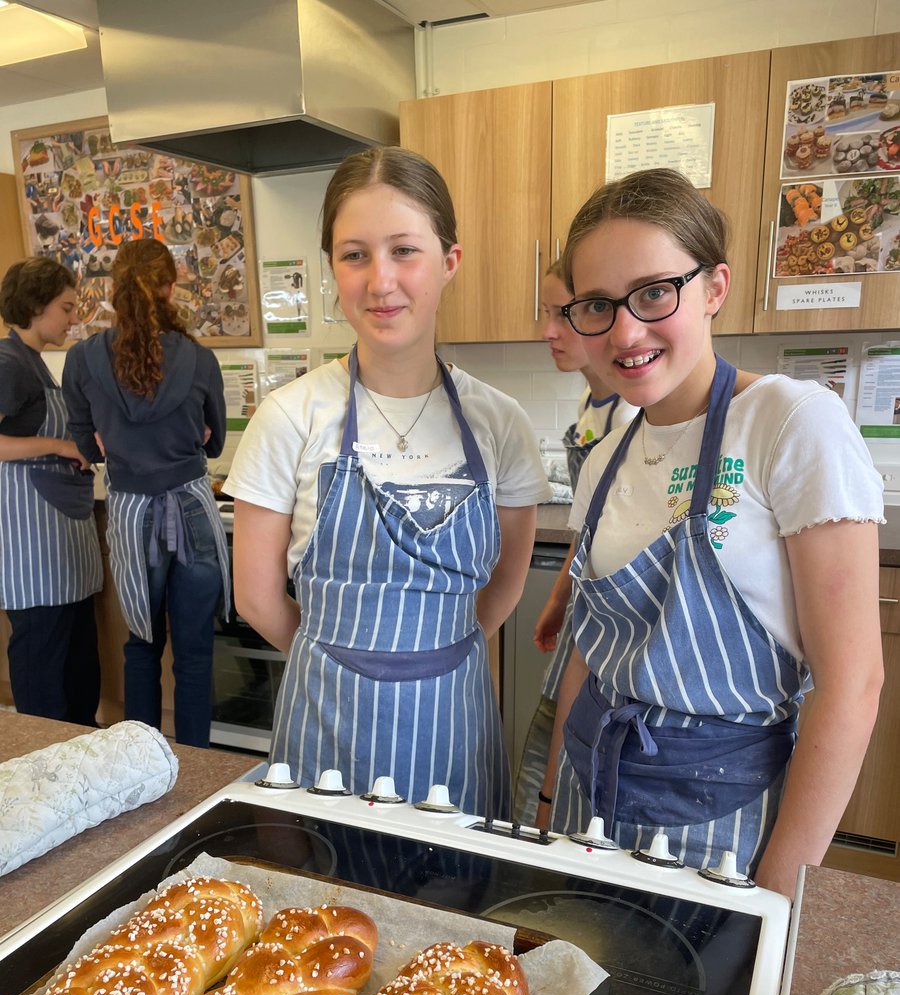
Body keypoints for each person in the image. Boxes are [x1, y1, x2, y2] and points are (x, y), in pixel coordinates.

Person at [542, 168, 883, 898]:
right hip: (586, 800)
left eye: (655, 292)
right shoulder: (605, 456)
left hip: (721, 819)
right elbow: (588, 651)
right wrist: (547, 807)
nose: (625, 331)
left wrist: (780, 891)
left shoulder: (792, 423)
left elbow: (852, 683)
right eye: (596, 304)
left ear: (714, 288)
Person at [224, 146, 550, 812]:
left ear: (448, 261)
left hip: (453, 721)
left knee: (453, 902)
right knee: (326, 904)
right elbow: (257, 597)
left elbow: (507, 582)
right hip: (326, 723)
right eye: (355, 254)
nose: (381, 281)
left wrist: (430, 656)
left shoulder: (500, 422)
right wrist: (340, 658)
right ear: (332, 269)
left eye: (405, 250)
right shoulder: (290, 416)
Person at [63, 238, 228, 747]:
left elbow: (84, 443)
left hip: (131, 513)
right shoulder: (199, 359)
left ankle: (139, 760)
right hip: (194, 511)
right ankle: (198, 767)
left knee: (142, 646)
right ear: (170, 286)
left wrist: (114, 442)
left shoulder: (82, 359)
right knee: (196, 651)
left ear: (113, 291)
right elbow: (216, 438)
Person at [512, 261, 637, 824]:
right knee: (554, 729)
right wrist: (560, 599)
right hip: (586, 598)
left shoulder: (633, 410)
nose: (550, 330)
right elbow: (590, 523)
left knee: (579, 740)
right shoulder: (595, 404)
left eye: (566, 313)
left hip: (614, 613)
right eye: (548, 314)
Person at [0, 257, 102, 723]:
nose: (74, 317)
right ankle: (41, 761)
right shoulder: (8, 364)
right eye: (66, 307)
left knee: (76, 665)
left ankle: (78, 757)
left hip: (59, 539)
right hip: (31, 547)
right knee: (43, 662)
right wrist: (61, 444)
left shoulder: (32, 363)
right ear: (36, 306)